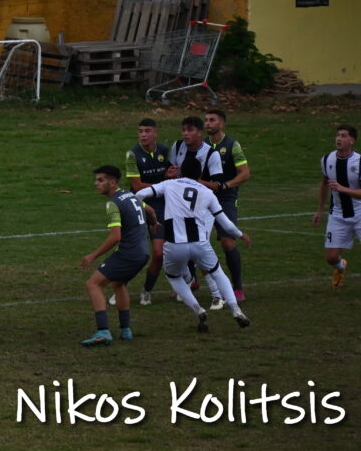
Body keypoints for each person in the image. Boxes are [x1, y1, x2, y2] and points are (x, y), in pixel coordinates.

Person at [132, 164, 252, 332]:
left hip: (174, 245)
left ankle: (198, 309)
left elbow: (139, 194)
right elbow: (224, 222)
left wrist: (147, 214)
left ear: (181, 172)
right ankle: (235, 309)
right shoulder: (207, 192)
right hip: (200, 244)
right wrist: (240, 234)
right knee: (217, 273)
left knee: (174, 277)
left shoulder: (169, 184)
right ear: (200, 173)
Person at [78, 166, 152, 347]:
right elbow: (149, 210)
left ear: (112, 183)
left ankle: (103, 331)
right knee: (119, 284)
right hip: (143, 253)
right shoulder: (131, 195)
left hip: (129, 254)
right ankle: (125, 330)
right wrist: (155, 224)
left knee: (93, 284)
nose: (96, 184)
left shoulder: (113, 203)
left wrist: (93, 255)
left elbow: (115, 237)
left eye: (100, 180)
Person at [169, 115, 227, 303]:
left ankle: (217, 295)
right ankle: (188, 280)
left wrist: (194, 181)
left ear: (200, 133)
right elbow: (172, 173)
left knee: (200, 249)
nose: (186, 134)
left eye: (190, 130)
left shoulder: (212, 154)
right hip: (180, 208)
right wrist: (169, 175)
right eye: (183, 130)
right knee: (175, 246)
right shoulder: (177, 148)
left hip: (203, 209)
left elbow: (218, 185)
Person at [206, 108, 251, 305]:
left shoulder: (232, 145)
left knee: (227, 242)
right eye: (206, 120)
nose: (208, 123)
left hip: (225, 199)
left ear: (222, 124)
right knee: (192, 240)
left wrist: (226, 185)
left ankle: (237, 286)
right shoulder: (201, 146)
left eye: (212, 120)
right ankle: (190, 282)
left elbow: (245, 173)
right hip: (203, 198)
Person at [126, 117, 171, 306]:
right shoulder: (132, 154)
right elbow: (137, 187)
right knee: (136, 254)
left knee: (159, 253)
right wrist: (164, 183)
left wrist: (171, 177)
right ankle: (120, 287)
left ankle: (147, 290)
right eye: (140, 131)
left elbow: (174, 177)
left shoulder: (165, 152)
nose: (143, 135)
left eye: (147, 131)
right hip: (139, 205)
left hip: (161, 206)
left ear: (155, 133)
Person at [313, 124, 361, 289]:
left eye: (344, 136)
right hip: (338, 215)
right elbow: (325, 183)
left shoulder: (359, 162)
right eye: (338, 135)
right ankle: (341, 267)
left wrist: (342, 189)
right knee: (331, 258)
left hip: (360, 213)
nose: (339, 138)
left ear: (352, 141)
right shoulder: (327, 159)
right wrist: (319, 210)